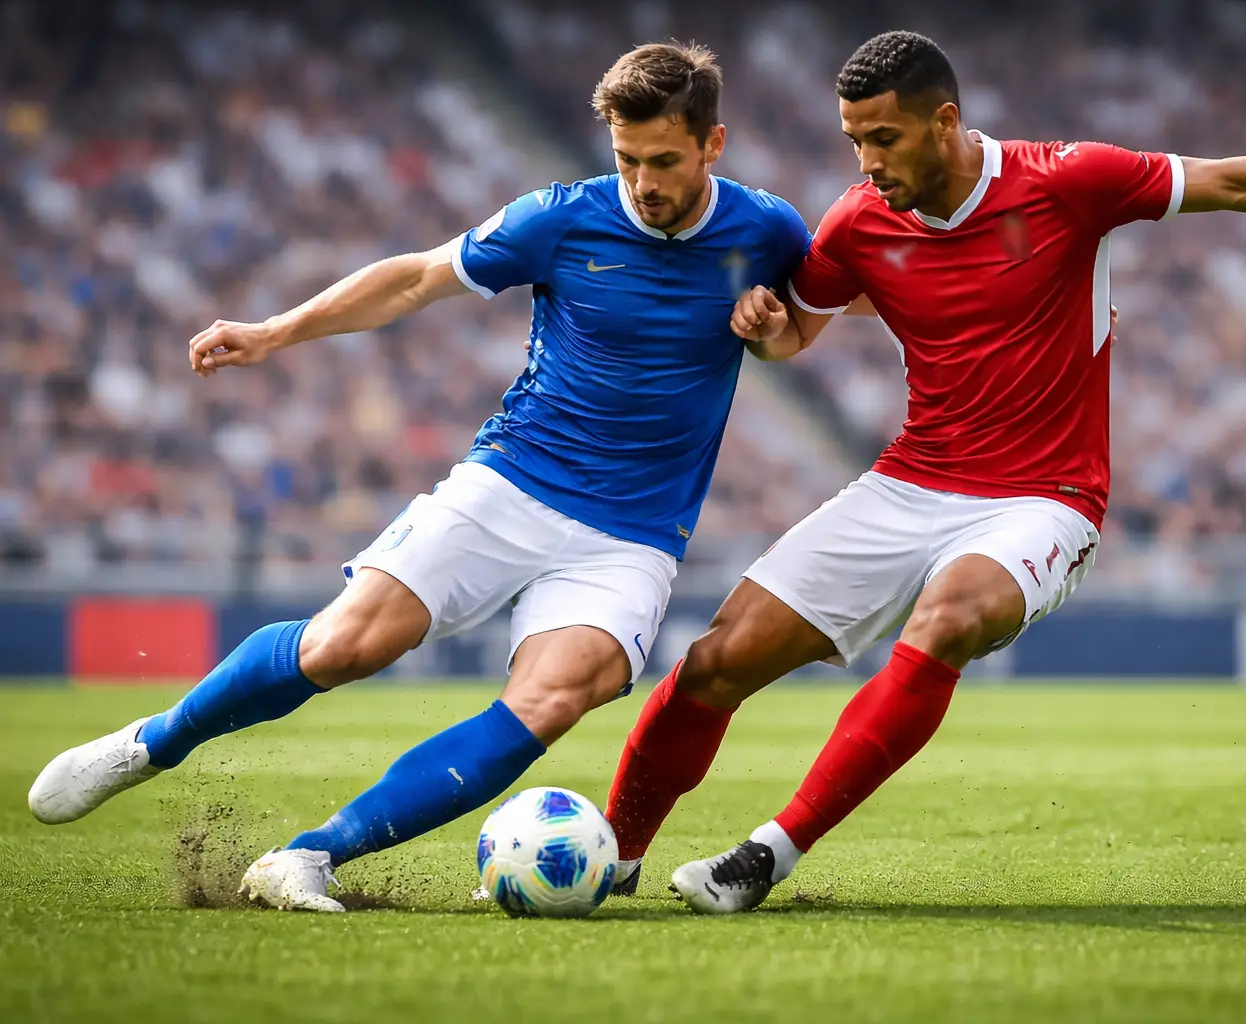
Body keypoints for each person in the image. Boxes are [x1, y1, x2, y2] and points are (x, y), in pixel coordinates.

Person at [600, 30, 1246, 913]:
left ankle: (765, 855)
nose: (866, 161)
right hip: (913, 479)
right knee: (716, 662)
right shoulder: (858, 221)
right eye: (853, 141)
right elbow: (796, 333)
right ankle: (611, 857)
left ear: (943, 120)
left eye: (883, 138)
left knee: (948, 617)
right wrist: (767, 331)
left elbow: (1231, 180)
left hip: (1046, 498)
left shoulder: (1067, 181)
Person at [26, 43, 814, 912]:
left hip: (632, 534)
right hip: (513, 482)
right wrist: (274, 332)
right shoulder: (560, 219)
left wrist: (769, 329)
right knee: (341, 648)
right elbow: (414, 282)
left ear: (714, 144)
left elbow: (800, 331)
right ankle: (152, 742)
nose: (643, 182)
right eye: (627, 160)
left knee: (552, 701)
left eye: (664, 161)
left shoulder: (769, 231)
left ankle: (310, 857)